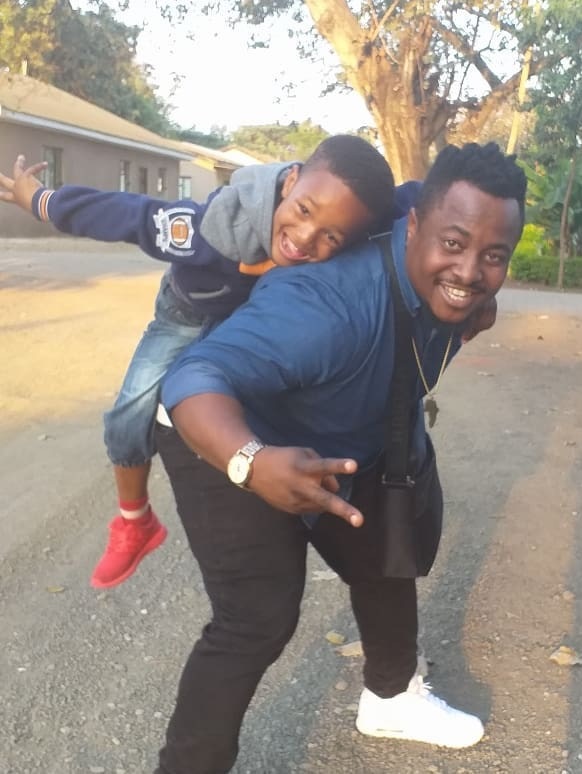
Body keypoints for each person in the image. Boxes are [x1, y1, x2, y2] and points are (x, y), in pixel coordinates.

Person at [155, 141, 527, 773]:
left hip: (342, 426)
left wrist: (477, 301)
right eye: (454, 244)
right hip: (225, 430)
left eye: (494, 256)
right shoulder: (326, 306)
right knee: (258, 614)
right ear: (415, 224)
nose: (469, 271)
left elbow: (464, 280)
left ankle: (391, 699)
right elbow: (192, 380)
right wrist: (251, 461)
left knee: (385, 543)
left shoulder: (454, 287)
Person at [0, 135, 396, 589]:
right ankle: (135, 522)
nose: (306, 238)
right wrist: (44, 201)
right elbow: (129, 215)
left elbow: (412, 209)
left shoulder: (350, 217)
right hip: (185, 319)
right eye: (304, 211)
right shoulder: (211, 226)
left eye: (332, 236)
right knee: (128, 415)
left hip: (245, 326)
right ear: (290, 182)